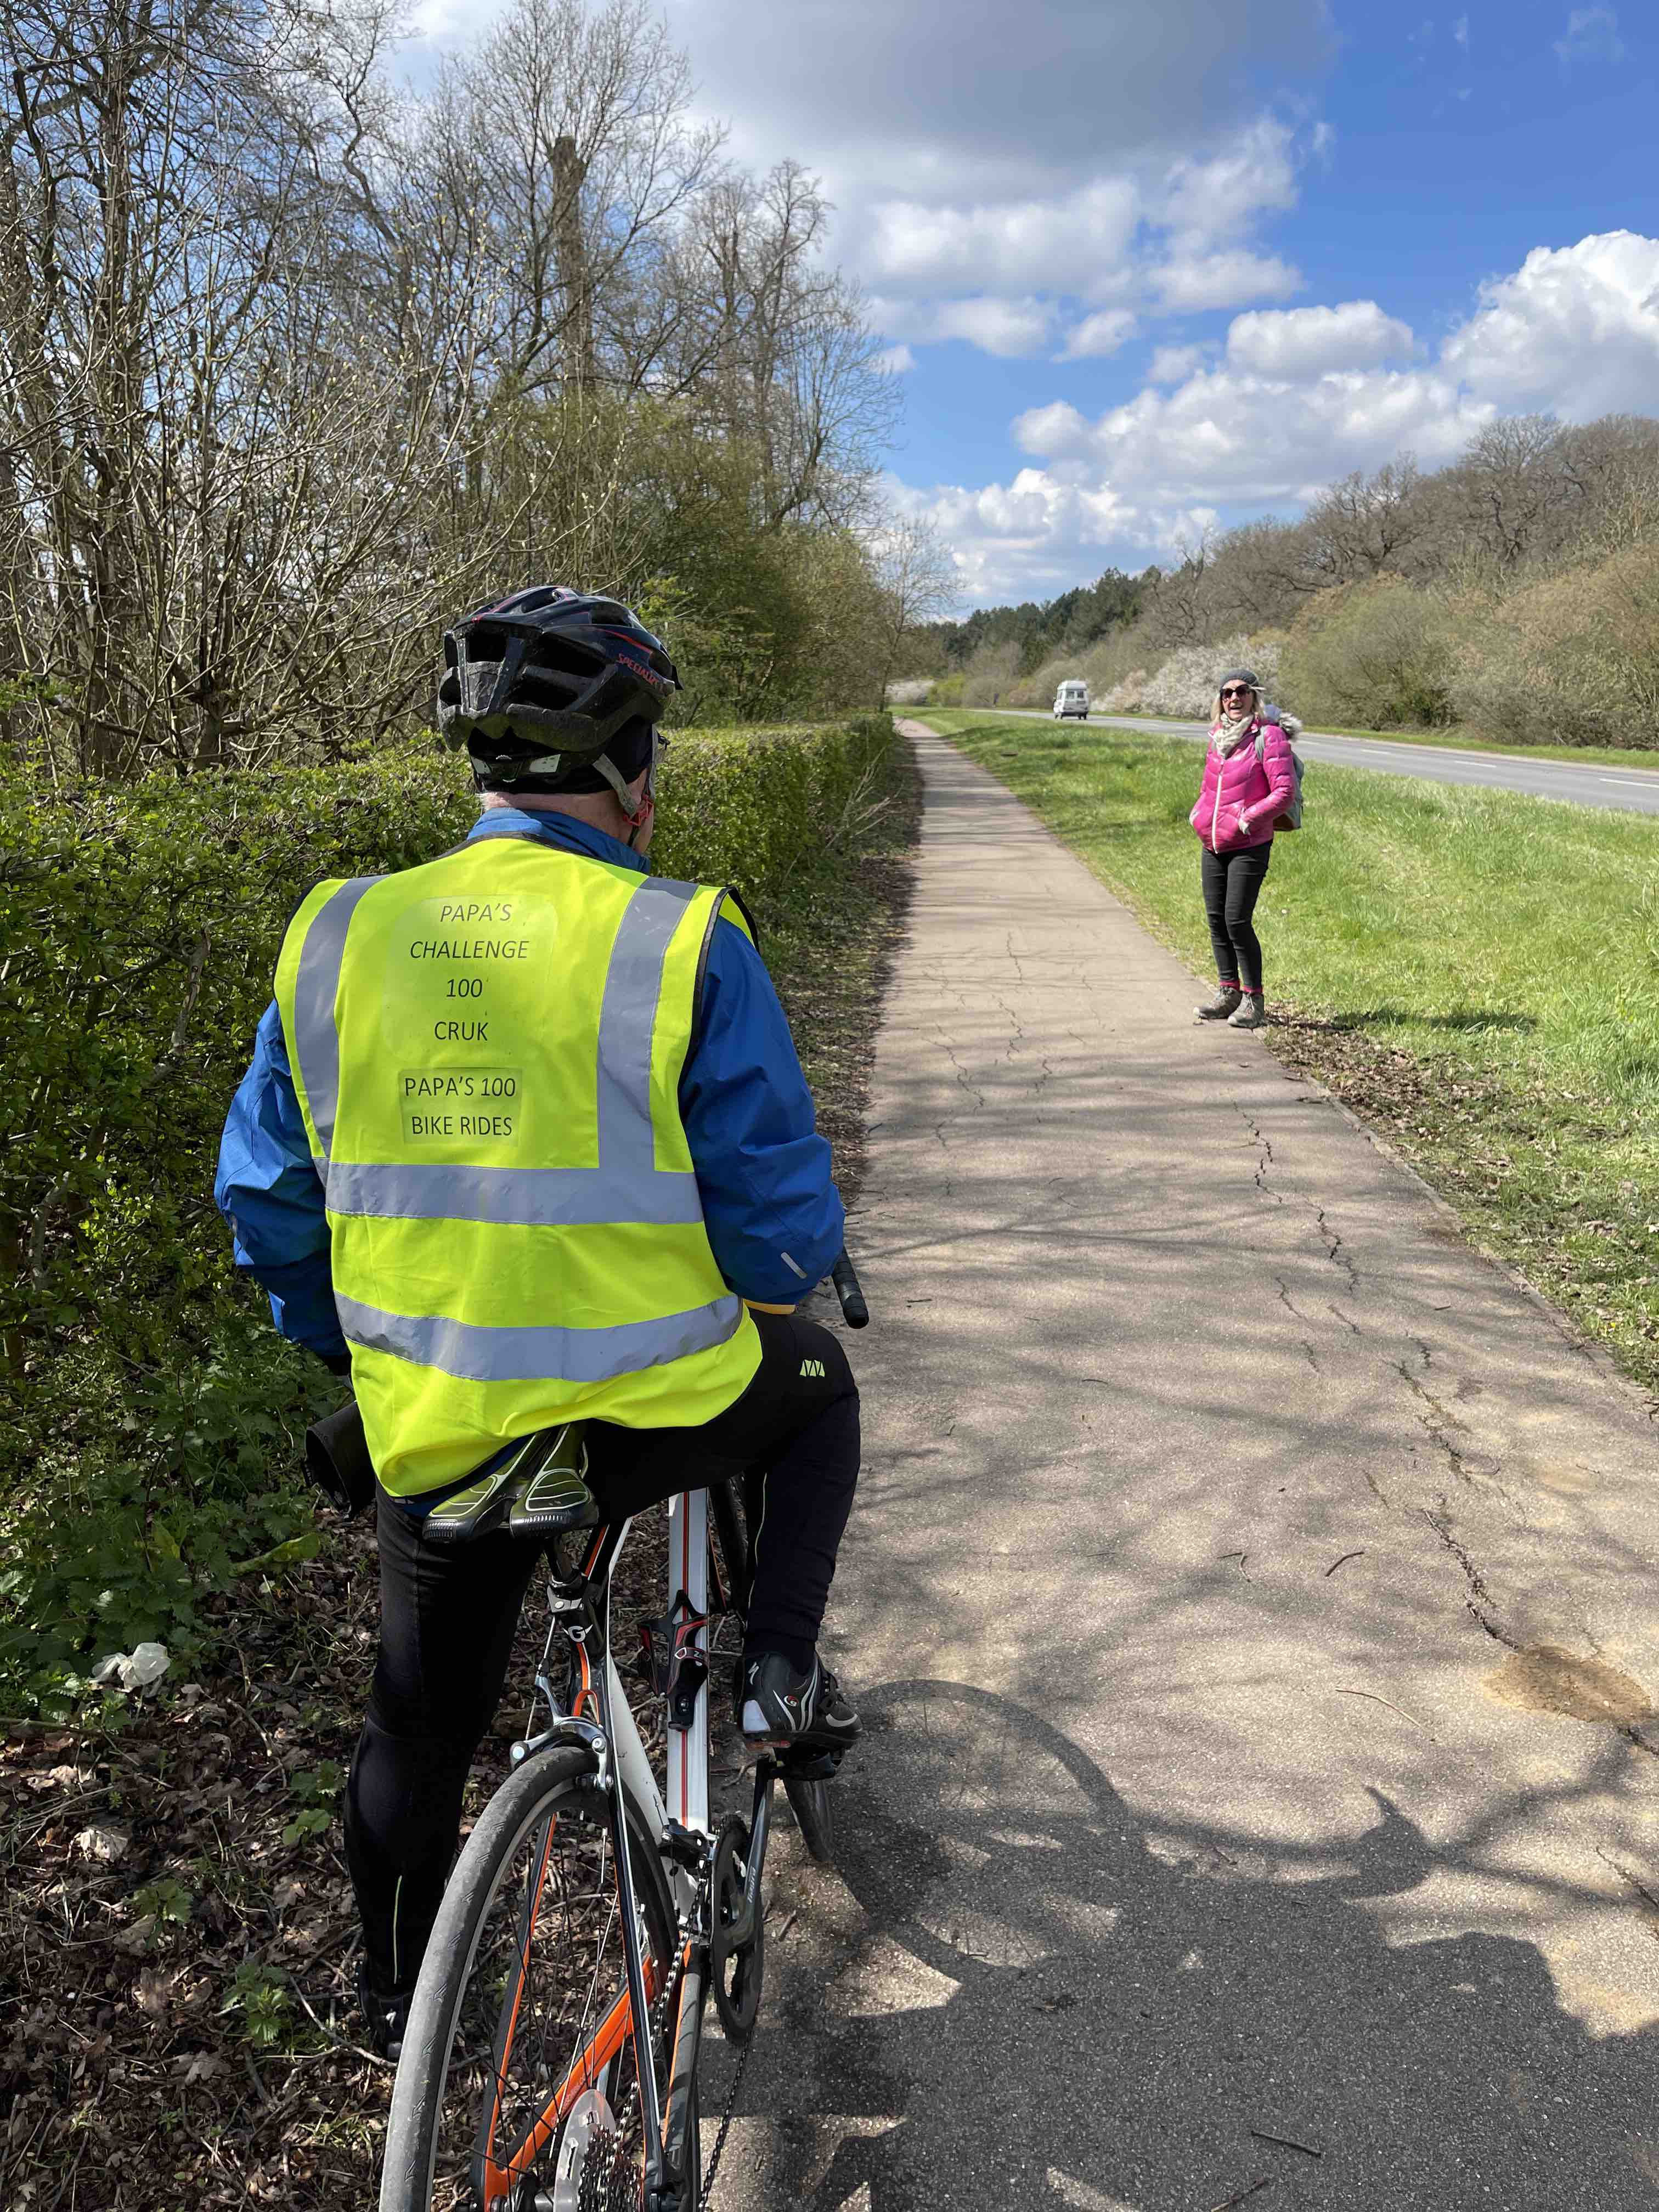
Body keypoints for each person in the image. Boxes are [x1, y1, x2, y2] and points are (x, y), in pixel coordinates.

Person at [215, 585, 861, 2055]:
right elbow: (775, 1235)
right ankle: (776, 1674)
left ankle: (395, 2010)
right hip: (653, 1417)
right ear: (636, 777)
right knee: (819, 1388)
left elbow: (267, 1203)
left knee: (416, 1727)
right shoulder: (681, 935)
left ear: (483, 777)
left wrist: (355, 1353)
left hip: (441, 1429)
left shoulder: (336, 936)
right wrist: (782, 1265)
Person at [1188, 667, 1297, 1030]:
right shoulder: (1217, 737)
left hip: (1250, 843)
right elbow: (1209, 790)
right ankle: (1227, 992)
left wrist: (1247, 819)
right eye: (1227, 693)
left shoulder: (1269, 737)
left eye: (1241, 692)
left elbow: (1284, 793)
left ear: (1254, 697)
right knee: (1217, 921)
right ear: (1220, 701)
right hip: (1213, 842)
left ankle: (1254, 1000)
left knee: (1237, 920)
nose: (1234, 699)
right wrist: (1198, 815)